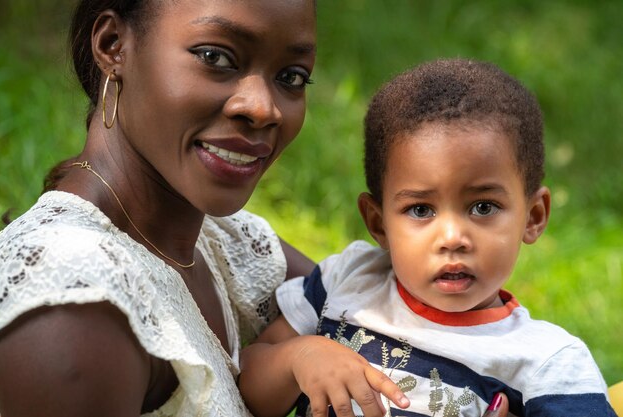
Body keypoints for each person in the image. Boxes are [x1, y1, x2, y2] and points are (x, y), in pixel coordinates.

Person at [238, 58, 616, 417]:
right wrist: (299, 358)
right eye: (421, 210)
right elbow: (249, 387)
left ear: (533, 217)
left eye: (483, 207)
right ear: (379, 223)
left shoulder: (548, 363)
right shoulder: (348, 279)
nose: (452, 238)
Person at [0, 0, 317, 416]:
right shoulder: (72, 306)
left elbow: (387, 308)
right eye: (215, 57)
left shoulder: (223, 244)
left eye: (291, 77)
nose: (262, 108)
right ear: (114, 46)